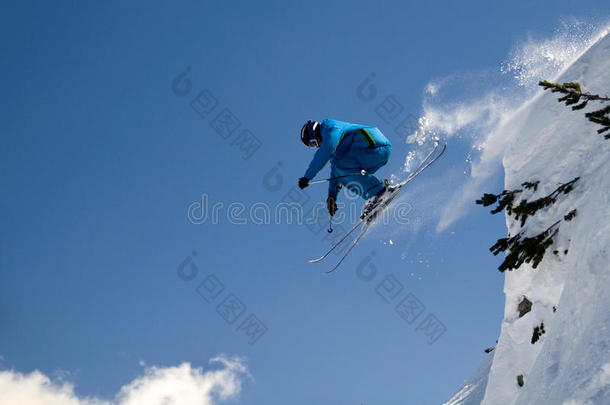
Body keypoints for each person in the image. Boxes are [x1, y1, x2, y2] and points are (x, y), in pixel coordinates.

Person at [298, 118, 393, 218]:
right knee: (339, 170)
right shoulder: (335, 150)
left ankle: (378, 192)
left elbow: (326, 151)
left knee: (341, 167)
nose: (317, 146)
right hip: (370, 154)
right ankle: (376, 193)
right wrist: (332, 197)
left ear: (314, 133)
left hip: (374, 145)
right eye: (313, 146)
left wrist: (307, 177)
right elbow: (336, 172)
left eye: (313, 144)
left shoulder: (330, 128)